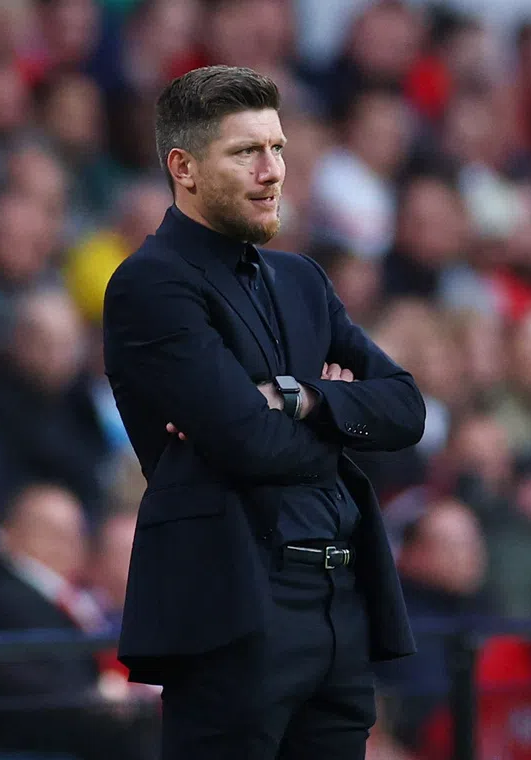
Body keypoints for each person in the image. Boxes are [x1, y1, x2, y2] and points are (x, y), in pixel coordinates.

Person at [103, 65, 426, 760]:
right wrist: (343, 422)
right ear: (183, 168)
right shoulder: (151, 283)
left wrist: (304, 398)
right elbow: (248, 442)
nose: (272, 170)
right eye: (245, 151)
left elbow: (405, 411)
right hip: (234, 605)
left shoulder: (301, 279)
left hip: (341, 600)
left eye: (277, 148)